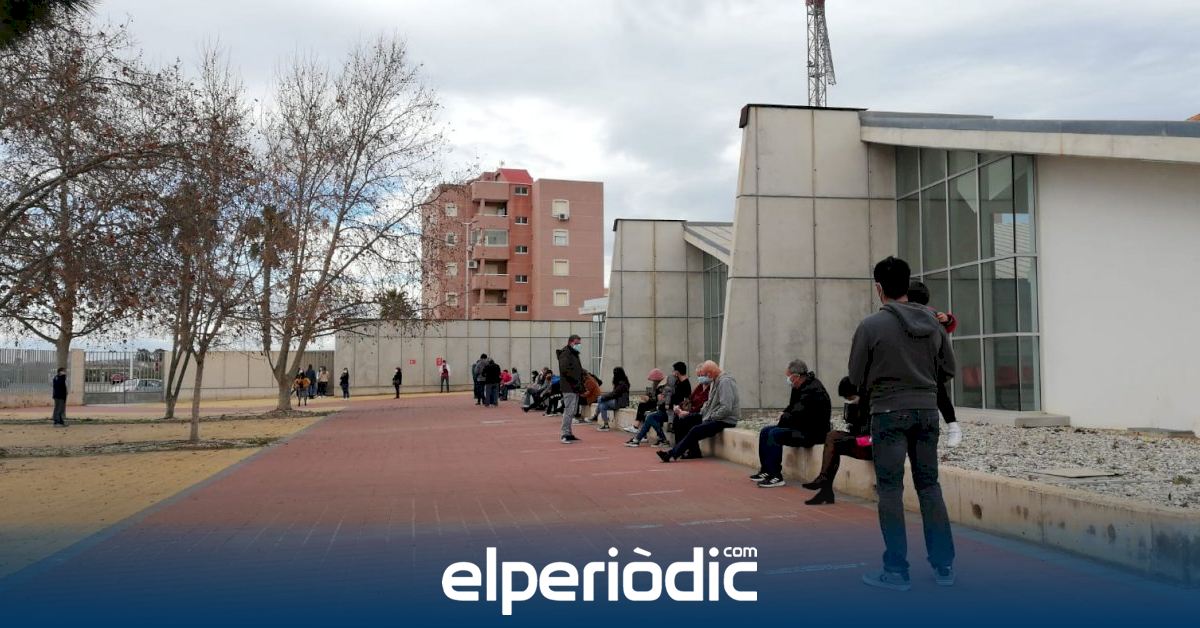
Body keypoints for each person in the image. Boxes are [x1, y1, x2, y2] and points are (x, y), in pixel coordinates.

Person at [850, 256, 957, 591]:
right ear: (907, 284)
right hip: (927, 412)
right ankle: (943, 566)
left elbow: (855, 377)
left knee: (890, 490)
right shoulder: (934, 324)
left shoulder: (870, 326)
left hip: (887, 413)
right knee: (929, 486)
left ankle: (896, 570)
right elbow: (948, 369)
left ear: (879, 288)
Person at [749, 360, 831, 488]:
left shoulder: (813, 390)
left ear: (796, 376)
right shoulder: (798, 387)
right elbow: (792, 408)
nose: (787, 379)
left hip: (812, 432)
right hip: (799, 426)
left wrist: (784, 417)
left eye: (788, 376)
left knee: (774, 434)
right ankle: (766, 471)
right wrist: (784, 414)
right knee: (765, 431)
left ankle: (776, 476)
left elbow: (800, 414)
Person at [907, 280, 963, 448]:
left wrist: (947, 320)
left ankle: (952, 426)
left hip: (927, 365)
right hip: (915, 364)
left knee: (939, 395)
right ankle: (952, 426)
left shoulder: (932, 315)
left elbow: (947, 328)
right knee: (937, 396)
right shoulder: (903, 314)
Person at [802, 377, 873, 505]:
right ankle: (825, 485)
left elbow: (870, 436)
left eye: (850, 398)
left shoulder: (872, 405)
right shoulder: (857, 405)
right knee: (832, 436)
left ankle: (825, 487)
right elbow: (853, 426)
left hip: (872, 446)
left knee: (835, 445)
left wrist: (851, 439)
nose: (849, 400)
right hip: (859, 440)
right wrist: (852, 410)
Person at [657, 360, 738, 463]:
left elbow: (726, 408)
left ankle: (671, 454)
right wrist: (702, 413)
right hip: (712, 416)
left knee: (695, 430)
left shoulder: (725, 382)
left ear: (710, 372)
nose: (705, 377)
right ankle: (692, 452)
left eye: (705, 374)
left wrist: (710, 417)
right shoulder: (716, 381)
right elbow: (708, 403)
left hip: (724, 420)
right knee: (684, 420)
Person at [627, 362, 690, 447]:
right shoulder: (677, 382)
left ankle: (647, 439)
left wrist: (664, 400)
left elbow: (679, 401)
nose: (672, 373)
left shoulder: (685, 384)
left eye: (674, 370)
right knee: (649, 416)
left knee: (650, 417)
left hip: (674, 412)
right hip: (667, 409)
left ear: (677, 372)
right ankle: (640, 439)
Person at [557, 334, 584, 443]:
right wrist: (576, 382)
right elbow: (566, 370)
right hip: (569, 387)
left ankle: (569, 433)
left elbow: (576, 370)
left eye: (579, 343)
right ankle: (564, 433)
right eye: (577, 343)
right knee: (569, 411)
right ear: (571, 342)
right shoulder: (566, 354)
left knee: (572, 411)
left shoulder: (573, 354)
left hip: (574, 387)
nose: (579, 345)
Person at [624, 369, 666, 434]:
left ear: (657, 379)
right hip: (655, 404)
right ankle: (636, 427)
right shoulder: (656, 385)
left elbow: (659, 400)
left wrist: (649, 399)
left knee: (645, 411)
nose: (653, 382)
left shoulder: (662, 387)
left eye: (653, 380)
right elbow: (653, 396)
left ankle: (640, 431)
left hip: (660, 407)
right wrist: (647, 397)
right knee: (642, 405)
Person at [592, 367, 630, 431]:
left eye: (615, 373)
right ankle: (605, 424)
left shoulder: (622, 384)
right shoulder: (621, 382)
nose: (614, 375)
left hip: (620, 403)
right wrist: (604, 397)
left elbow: (614, 394)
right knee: (602, 405)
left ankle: (596, 416)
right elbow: (613, 394)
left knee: (600, 400)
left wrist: (603, 397)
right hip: (617, 401)